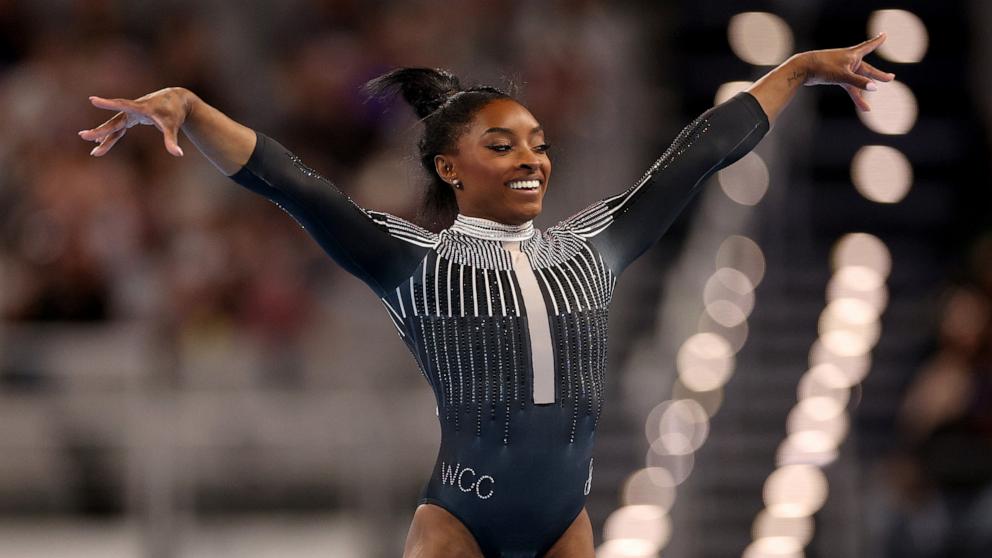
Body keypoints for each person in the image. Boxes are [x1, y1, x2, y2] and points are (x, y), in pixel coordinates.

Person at [79, 33, 893, 558]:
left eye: (538, 143)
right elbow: (295, 185)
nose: (530, 158)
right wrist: (189, 107)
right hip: (457, 529)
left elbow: (700, 151)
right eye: (500, 145)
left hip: (564, 527)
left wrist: (798, 71)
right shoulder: (416, 266)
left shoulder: (592, 248)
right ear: (450, 169)